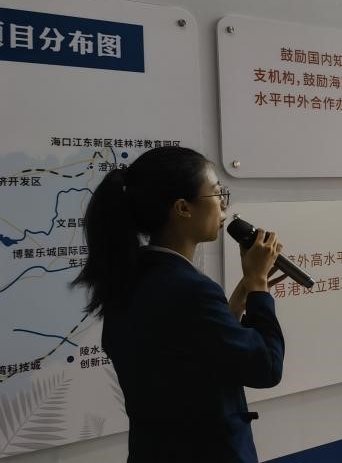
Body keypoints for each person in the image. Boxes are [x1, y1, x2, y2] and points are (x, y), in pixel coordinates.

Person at [73, 146, 286, 462]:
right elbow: (266, 367)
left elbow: (187, 354)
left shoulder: (132, 278)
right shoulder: (191, 291)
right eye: (217, 193)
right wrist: (257, 286)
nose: (224, 205)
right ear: (183, 208)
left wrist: (240, 299)